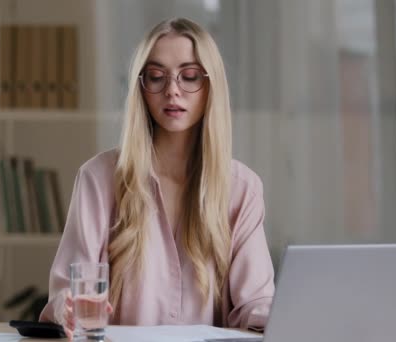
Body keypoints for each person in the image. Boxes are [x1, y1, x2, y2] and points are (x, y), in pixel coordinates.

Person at [39, 17, 274, 339]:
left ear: (211, 87)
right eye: (156, 77)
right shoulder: (99, 177)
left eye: (189, 76)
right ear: (141, 87)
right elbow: (67, 291)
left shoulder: (242, 188)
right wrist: (66, 304)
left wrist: (284, 316)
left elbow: (256, 303)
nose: (172, 90)